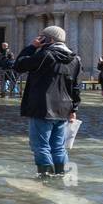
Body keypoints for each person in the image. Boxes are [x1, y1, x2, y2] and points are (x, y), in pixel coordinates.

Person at [15, 26, 81, 178]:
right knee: (58, 147)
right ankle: (61, 175)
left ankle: (45, 176)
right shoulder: (75, 59)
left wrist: (32, 47)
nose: (39, 40)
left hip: (42, 107)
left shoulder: (45, 55)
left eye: (42, 37)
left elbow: (18, 66)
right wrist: (74, 110)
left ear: (49, 39)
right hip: (64, 109)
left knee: (40, 146)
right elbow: (76, 87)